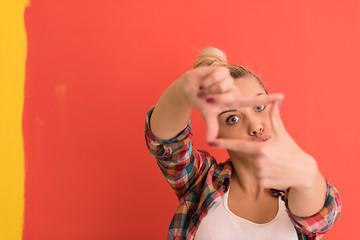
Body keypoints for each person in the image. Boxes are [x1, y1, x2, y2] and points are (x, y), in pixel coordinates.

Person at [145, 47, 341, 240]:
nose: (256, 126)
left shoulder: (297, 190)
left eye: (259, 107)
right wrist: (185, 87)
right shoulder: (201, 181)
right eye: (233, 118)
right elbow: (166, 143)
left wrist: (304, 170)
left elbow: (320, 215)